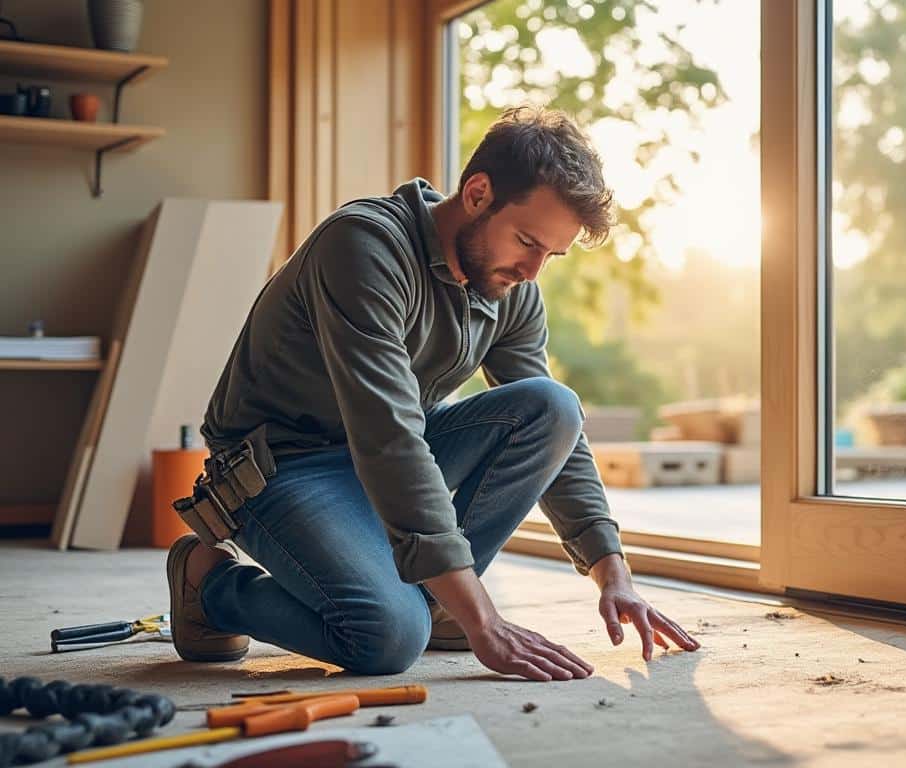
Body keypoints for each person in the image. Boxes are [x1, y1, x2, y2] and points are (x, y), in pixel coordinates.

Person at [165, 105, 700, 680]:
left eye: (552, 254)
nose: (533, 270)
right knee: (388, 639)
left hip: (383, 458)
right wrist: (485, 621)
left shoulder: (509, 287)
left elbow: (555, 435)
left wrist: (612, 571)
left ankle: (442, 596)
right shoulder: (364, 247)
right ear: (477, 193)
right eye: (526, 241)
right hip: (285, 464)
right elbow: (389, 438)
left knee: (552, 405)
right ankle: (208, 582)